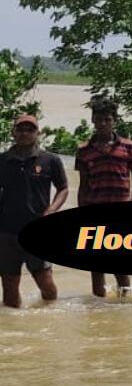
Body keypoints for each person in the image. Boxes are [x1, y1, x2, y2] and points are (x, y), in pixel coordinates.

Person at [0, 114, 68, 308]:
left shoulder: (50, 160)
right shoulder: (2, 161)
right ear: (13, 132)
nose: (24, 133)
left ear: (38, 133)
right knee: (10, 288)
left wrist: (52, 210)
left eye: (30, 129)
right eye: (20, 129)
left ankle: (49, 319)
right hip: (6, 232)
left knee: (46, 283)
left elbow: (63, 188)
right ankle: (16, 331)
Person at [75, 98, 132, 297]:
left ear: (114, 121)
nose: (102, 123)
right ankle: (99, 306)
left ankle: (124, 303)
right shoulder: (84, 150)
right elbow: (83, 186)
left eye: (107, 119)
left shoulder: (129, 147)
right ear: (93, 120)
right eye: (98, 119)